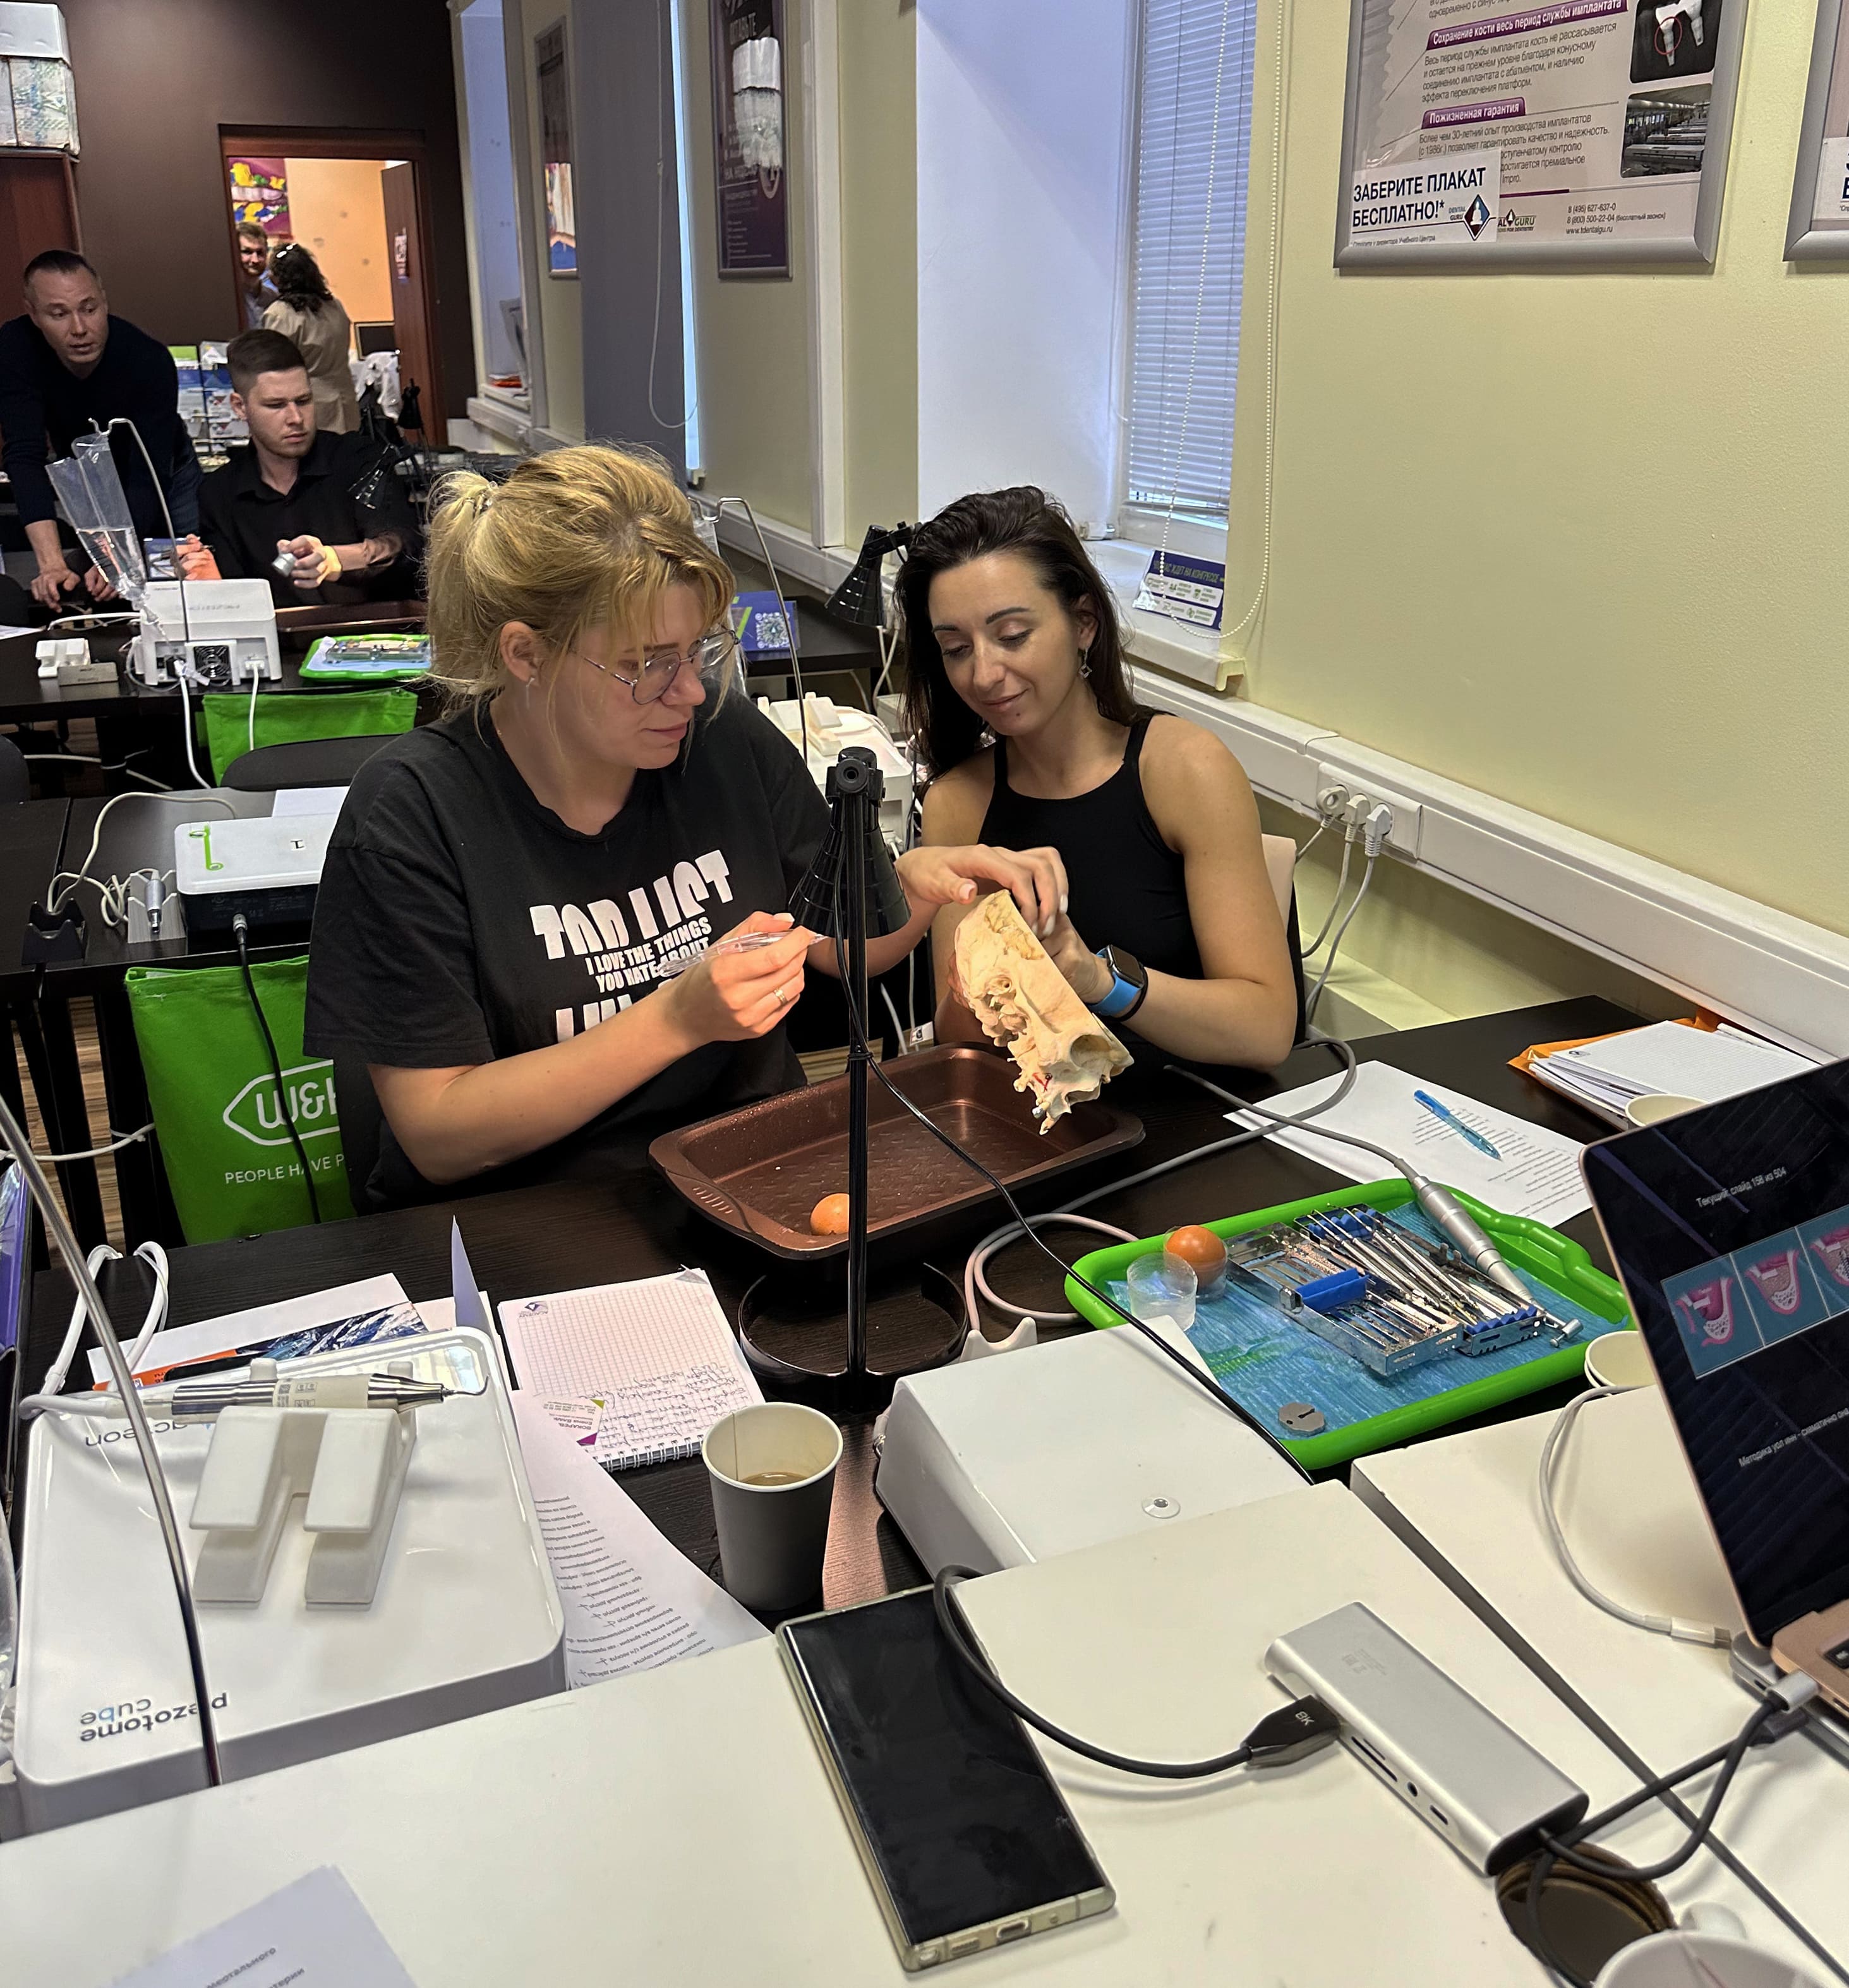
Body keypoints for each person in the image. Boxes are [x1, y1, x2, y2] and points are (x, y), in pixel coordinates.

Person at [303, 445, 1062, 1212]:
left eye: (697, 649)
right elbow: (438, 1135)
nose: (691, 691)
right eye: (648, 664)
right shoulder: (412, 812)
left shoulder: (724, 742)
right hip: (534, 1215)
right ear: (526, 654)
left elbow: (831, 946)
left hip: (748, 1177)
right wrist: (676, 1017)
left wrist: (914, 890)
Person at [904, 486, 1299, 1073]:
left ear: (1083, 622)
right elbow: (963, 1049)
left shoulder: (1183, 769)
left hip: (1189, 1107)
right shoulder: (956, 803)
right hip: (1040, 1112)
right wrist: (977, 988)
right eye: (957, 648)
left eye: (1012, 636)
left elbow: (1265, 1030)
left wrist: (1097, 979)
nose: (983, 674)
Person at [0, 250, 200, 609]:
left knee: (173, 587)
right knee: (95, 589)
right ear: (33, 314)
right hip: (88, 477)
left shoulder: (147, 359)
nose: (79, 329)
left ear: (104, 301)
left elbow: (147, 475)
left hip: (162, 473)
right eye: (59, 314)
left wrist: (116, 558)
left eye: (89, 309)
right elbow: (24, 455)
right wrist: (51, 565)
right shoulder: (15, 348)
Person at [196, 328, 421, 607]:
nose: (296, 418)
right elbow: (236, 598)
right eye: (276, 405)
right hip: (277, 634)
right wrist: (207, 582)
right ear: (240, 407)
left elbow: (404, 546)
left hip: (372, 630)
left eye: (303, 401)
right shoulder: (219, 494)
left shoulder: (358, 460)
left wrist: (334, 559)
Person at [262, 243, 359, 435]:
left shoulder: (281, 315)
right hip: (346, 400)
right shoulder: (335, 306)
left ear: (276, 278)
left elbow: (274, 367)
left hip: (309, 406)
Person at [236, 222, 279, 330]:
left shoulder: (273, 298)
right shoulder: (228, 298)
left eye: (260, 253)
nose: (255, 260)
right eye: (247, 252)